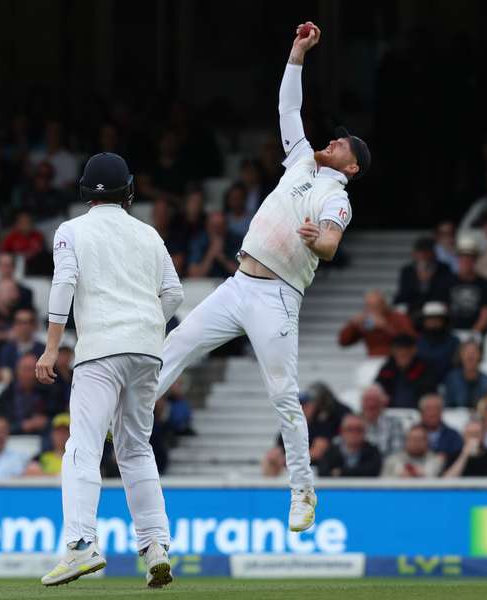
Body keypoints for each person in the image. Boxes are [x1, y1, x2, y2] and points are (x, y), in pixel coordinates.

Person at [156, 23, 369, 538]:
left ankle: (302, 489)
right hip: (238, 282)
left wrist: (316, 238)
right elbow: (287, 109)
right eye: (338, 137)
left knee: (283, 393)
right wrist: (297, 52)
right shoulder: (300, 159)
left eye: (345, 144)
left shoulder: (336, 195)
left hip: (276, 296)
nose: (336, 140)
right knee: (176, 345)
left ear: (353, 167)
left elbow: (331, 245)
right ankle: (126, 424)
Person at [35, 150, 184, 588]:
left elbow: (64, 284)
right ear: (129, 191)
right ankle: (156, 545)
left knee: (82, 447)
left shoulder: (71, 230)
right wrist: (147, 326)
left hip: (100, 350)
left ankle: (81, 546)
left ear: (85, 192)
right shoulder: (149, 234)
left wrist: (50, 348)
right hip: (146, 351)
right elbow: (173, 294)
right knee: (135, 450)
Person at [338, 290, 416, 356]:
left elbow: (411, 339)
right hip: (373, 358)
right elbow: (344, 342)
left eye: (376, 306)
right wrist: (352, 325)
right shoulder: (365, 319)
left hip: (396, 359)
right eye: (369, 306)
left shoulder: (398, 317)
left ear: (384, 304)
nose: (373, 309)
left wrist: (385, 327)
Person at [0, 353, 52, 435]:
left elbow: (58, 418)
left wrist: (46, 421)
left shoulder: (48, 392)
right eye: (24, 369)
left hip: (44, 439)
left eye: (30, 369)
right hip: (12, 439)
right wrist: (22, 426)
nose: (27, 374)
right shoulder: (7, 394)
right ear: (17, 371)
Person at [375, 334, 438, 408]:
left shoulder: (424, 367)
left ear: (413, 350)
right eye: (398, 350)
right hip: (391, 410)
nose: (401, 353)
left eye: (405, 351)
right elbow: (378, 386)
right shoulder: (388, 367)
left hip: (417, 410)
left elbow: (429, 392)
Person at [447, 238, 487, 333]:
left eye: (469, 256)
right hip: (451, 334)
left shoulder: (485, 284)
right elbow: (444, 310)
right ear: (458, 258)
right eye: (462, 256)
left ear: (475, 259)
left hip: (477, 334)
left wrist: (473, 335)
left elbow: (486, 314)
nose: (465, 259)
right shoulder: (447, 282)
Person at [393, 237, 454, 314]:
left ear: (433, 253)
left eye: (426, 252)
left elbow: (444, 292)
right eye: (420, 252)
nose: (423, 255)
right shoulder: (407, 270)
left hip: (435, 307)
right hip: (413, 307)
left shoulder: (443, 269)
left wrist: (430, 278)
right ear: (414, 253)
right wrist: (419, 281)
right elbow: (403, 294)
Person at [315, 414, 382, 477]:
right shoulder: (331, 451)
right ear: (341, 432)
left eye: (358, 429)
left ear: (365, 432)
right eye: (349, 429)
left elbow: (372, 471)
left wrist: (340, 472)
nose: (354, 433)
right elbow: (323, 472)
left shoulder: (373, 451)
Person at [186, 211, 241, 278]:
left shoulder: (236, 240)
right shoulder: (198, 241)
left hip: (230, 284)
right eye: (213, 227)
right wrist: (211, 254)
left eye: (220, 226)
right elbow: (194, 275)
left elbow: (243, 275)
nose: (216, 230)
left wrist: (222, 258)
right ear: (207, 227)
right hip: (204, 285)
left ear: (226, 227)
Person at [415, 301, 460, 381]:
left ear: (443, 320)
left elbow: (457, 366)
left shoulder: (454, 341)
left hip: (448, 382)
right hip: (421, 384)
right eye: (429, 319)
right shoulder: (417, 341)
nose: (432, 322)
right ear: (424, 321)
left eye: (436, 318)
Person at [0, 308, 45, 381]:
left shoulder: (43, 350)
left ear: (34, 325)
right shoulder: (7, 350)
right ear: (14, 325)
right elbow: (6, 378)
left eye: (28, 322)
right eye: (19, 322)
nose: (24, 326)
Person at [443, 341, 487, 409]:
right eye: (467, 352)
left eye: (474, 352)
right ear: (461, 355)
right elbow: (448, 405)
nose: (470, 355)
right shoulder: (452, 379)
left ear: (480, 355)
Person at [359, 384, 405, 456]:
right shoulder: (353, 425)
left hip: (386, 466)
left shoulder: (394, 424)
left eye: (375, 400)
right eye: (367, 400)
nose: (371, 404)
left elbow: (397, 455)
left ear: (384, 403)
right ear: (361, 403)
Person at [419, 394, 464, 460]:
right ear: (421, 412)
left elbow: (458, 457)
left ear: (442, 411)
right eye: (429, 409)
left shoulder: (453, 435)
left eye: (436, 409)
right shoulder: (413, 434)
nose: (433, 413)